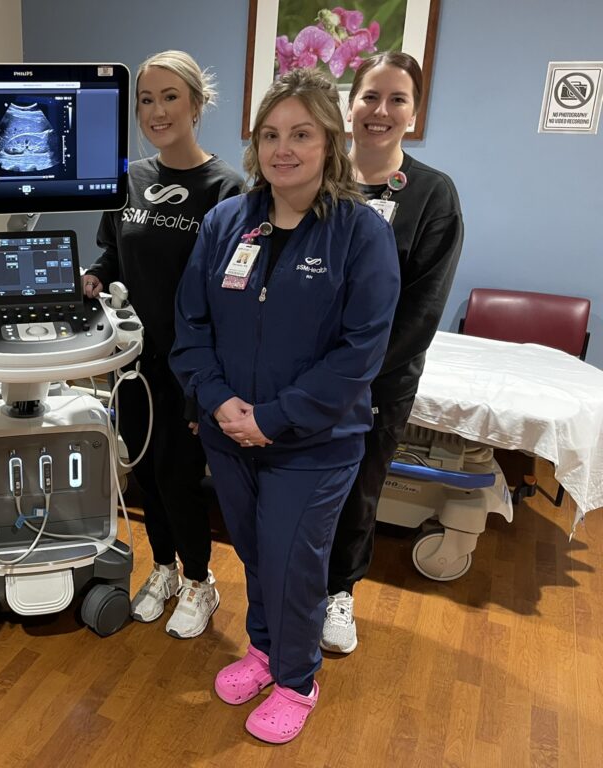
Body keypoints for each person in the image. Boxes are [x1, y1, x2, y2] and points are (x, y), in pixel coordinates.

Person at [170, 68, 400, 743]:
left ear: (330, 142)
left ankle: (297, 680)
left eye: (301, 133)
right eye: (271, 134)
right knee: (255, 553)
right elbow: (190, 326)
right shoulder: (226, 223)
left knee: (293, 559)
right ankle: (264, 651)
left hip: (314, 441)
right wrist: (219, 403)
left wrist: (272, 416)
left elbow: (361, 351)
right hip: (227, 432)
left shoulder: (360, 234)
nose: (284, 149)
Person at [82, 50, 242, 639]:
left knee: (179, 476)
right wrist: (96, 275)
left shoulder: (226, 187)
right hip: (131, 362)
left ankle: (202, 580)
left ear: (197, 105)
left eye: (170, 97)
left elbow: (231, 294)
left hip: (189, 367)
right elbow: (112, 252)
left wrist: (211, 391)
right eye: (145, 100)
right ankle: (165, 568)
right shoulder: (127, 178)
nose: (156, 110)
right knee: (144, 474)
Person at [322, 52, 464, 655]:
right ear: (349, 105)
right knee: (294, 485)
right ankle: (288, 583)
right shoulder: (315, 178)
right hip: (299, 374)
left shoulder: (432, 195)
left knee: (358, 486)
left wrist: (351, 376)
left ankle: (339, 593)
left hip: (377, 383)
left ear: (414, 111)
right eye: (370, 96)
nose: (380, 111)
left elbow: (424, 309)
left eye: (396, 99)